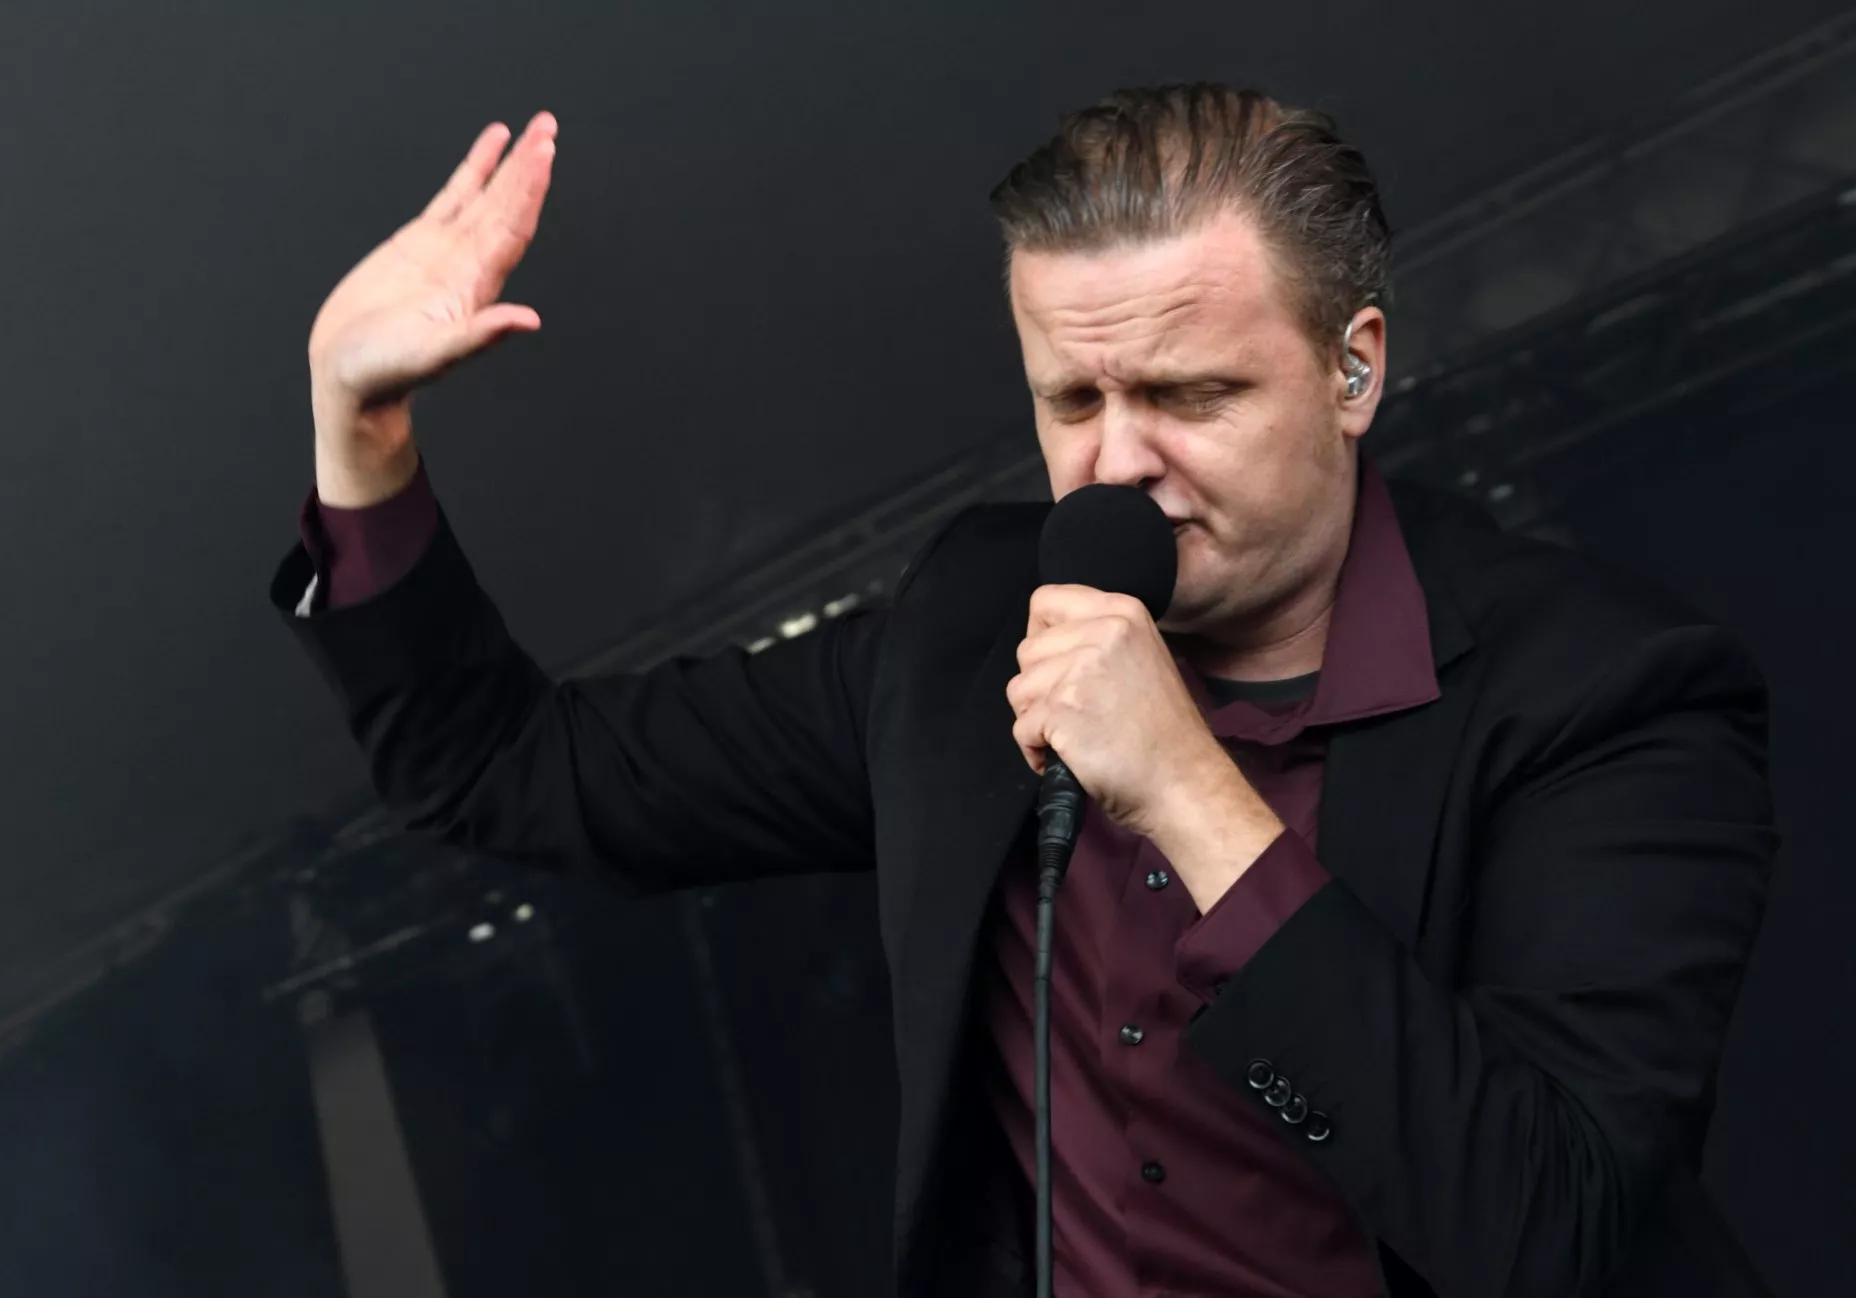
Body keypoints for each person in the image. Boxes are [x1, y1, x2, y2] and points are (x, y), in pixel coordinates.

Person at [271, 85, 1777, 1298]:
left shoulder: (1604, 697)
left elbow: (1543, 1234)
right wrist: (361, 429)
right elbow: (509, 770)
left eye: (1189, 394)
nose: (1118, 462)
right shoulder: (968, 631)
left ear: (1353, 370)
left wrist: (1188, 792)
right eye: (1073, 399)